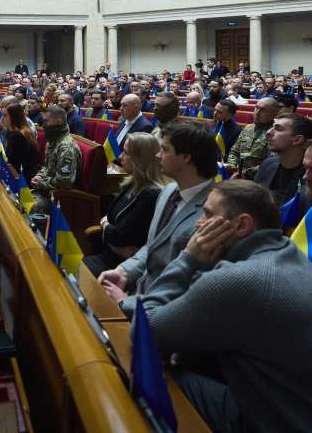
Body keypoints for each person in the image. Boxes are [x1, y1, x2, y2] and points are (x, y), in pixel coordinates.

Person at [139, 180, 312, 433]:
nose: (198, 223)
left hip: (277, 423)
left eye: (208, 214)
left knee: (151, 374)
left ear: (241, 225)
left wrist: (186, 259)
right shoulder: (288, 253)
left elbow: (145, 330)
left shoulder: (242, 280)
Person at [99, 121, 219, 318]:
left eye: (164, 149)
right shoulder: (169, 191)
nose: (157, 155)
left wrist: (126, 302)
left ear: (186, 157)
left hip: (164, 314)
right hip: (138, 293)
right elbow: (153, 246)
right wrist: (124, 271)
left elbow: (192, 285)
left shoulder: (213, 213)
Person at [83, 133, 164, 277]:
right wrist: (109, 231)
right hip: (110, 254)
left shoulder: (150, 195)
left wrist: (106, 226)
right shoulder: (132, 182)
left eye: (126, 153)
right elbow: (108, 217)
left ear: (140, 159)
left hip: (123, 267)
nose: (120, 157)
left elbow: (117, 236)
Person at [29, 106, 81, 214]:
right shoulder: (53, 140)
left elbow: (64, 182)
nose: (43, 124)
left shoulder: (66, 147)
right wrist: (40, 176)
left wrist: (41, 183)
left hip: (61, 196)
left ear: (58, 121)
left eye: (46, 121)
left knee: (31, 206)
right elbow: (46, 166)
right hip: (47, 190)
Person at [255, 114, 312, 205]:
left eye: (278, 129)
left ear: (297, 140)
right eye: (272, 127)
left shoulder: (309, 175)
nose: (268, 132)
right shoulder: (268, 164)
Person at [226, 97, 280, 179]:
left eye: (263, 110)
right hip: (237, 174)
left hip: (259, 179)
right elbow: (234, 151)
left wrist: (244, 173)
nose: (257, 112)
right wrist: (232, 165)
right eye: (256, 108)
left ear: (274, 115)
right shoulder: (248, 128)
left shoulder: (275, 134)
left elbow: (270, 163)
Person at [2, 102, 39, 183]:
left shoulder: (18, 136)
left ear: (14, 117)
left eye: (5, 115)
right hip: (17, 172)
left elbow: (13, 164)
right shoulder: (13, 132)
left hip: (23, 179)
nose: (2, 119)